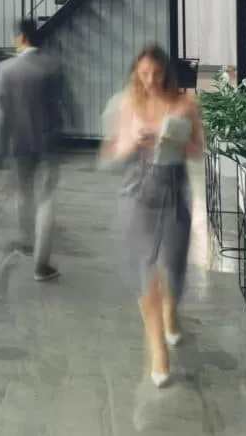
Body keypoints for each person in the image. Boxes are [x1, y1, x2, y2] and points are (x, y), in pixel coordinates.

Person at [99, 45, 202, 388]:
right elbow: (112, 152)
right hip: (136, 193)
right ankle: (157, 347)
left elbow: (198, 150)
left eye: (156, 73)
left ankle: (171, 312)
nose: (150, 80)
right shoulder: (128, 104)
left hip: (173, 193)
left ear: (166, 73)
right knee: (146, 273)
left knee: (173, 269)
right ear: (136, 73)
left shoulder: (185, 104)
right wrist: (134, 141)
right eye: (143, 73)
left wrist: (174, 139)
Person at [0, 19, 64, 283]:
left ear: (21, 38)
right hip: (47, 145)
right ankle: (41, 266)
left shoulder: (6, 70)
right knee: (46, 201)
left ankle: (25, 242)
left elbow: (3, 114)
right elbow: (61, 107)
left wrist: (1, 145)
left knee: (23, 196)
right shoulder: (51, 66)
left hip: (19, 145)